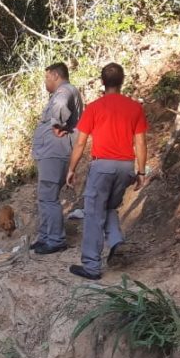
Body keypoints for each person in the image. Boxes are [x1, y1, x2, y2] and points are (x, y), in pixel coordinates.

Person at [65, 63, 148, 280]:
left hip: (102, 167)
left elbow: (81, 143)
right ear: (122, 81)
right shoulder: (135, 108)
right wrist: (140, 172)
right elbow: (140, 142)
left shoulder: (94, 107)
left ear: (102, 82)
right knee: (109, 206)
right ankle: (117, 242)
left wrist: (71, 169)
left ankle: (91, 266)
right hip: (126, 167)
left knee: (93, 214)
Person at [31, 62, 84, 255]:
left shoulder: (64, 91)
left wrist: (57, 124)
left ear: (54, 75)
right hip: (51, 152)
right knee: (45, 196)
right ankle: (45, 237)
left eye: (46, 77)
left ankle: (55, 240)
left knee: (49, 197)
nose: (45, 82)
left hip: (54, 152)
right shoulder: (64, 92)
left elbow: (61, 105)